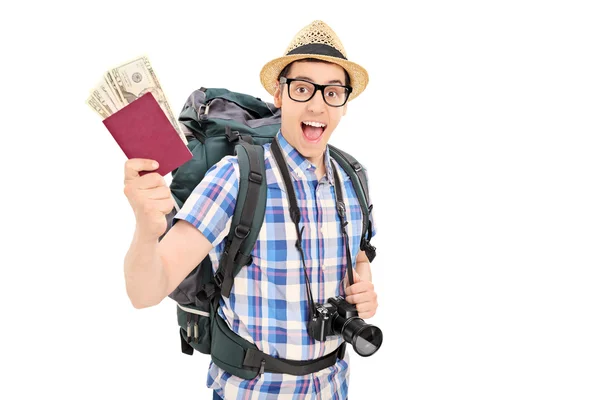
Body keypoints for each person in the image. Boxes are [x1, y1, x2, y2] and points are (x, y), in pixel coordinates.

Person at [122, 20, 379, 400]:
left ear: (345, 103)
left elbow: (359, 255)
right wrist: (146, 228)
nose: (316, 104)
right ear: (280, 95)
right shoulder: (236, 176)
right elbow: (145, 291)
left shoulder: (353, 176)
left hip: (334, 389)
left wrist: (365, 288)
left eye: (332, 92)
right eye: (303, 88)